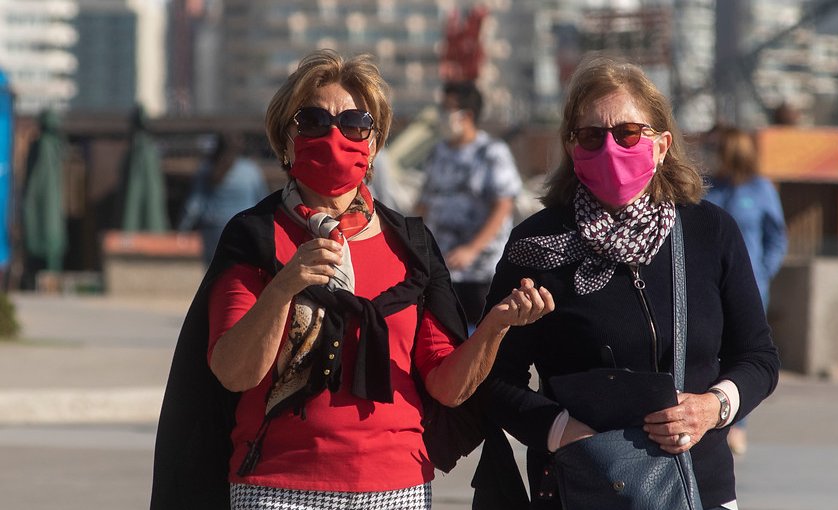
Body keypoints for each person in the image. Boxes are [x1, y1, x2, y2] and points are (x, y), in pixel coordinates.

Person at [150, 49, 554, 510]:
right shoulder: (257, 236)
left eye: (355, 124)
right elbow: (233, 371)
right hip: (279, 488)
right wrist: (284, 286)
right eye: (314, 121)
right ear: (286, 141)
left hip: (396, 487)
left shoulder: (412, 245)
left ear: (374, 143)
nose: (335, 135)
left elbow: (446, 385)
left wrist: (494, 326)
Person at [470, 53, 780, 510]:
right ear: (572, 147)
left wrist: (712, 408)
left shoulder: (710, 232)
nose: (610, 148)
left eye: (628, 133)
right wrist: (562, 432)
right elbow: (494, 377)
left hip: (698, 487)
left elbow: (758, 357)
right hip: (580, 484)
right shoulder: (536, 243)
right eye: (592, 136)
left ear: (661, 145)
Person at [704, 126, 788, 456]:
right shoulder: (709, 187)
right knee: (712, 350)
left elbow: (777, 237)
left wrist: (763, 272)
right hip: (710, 285)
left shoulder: (761, 188)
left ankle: (738, 424)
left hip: (751, 285)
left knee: (745, 354)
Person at [416, 81, 522, 330]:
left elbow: (504, 205)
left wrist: (472, 249)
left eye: (447, 109)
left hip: (480, 272)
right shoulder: (437, 153)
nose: (442, 115)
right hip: (441, 268)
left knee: (479, 334)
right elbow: (423, 203)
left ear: (467, 115)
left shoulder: (492, 153)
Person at [179, 131, 269, 266]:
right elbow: (262, 201)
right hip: (244, 228)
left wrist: (184, 228)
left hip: (213, 228)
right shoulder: (251, 171)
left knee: (213, 275)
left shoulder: (207, 169)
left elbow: (195, 204)